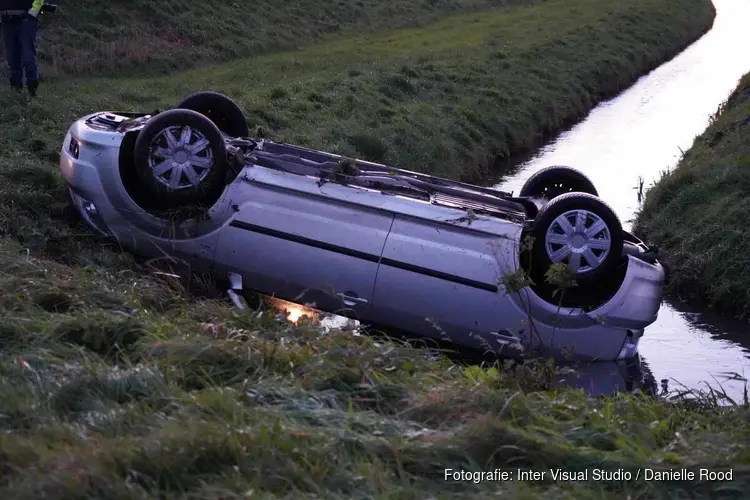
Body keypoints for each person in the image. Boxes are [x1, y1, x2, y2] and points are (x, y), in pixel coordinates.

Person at [0, 0, 44, 96]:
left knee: (28, 56)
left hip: (26, 18)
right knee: (12, 57)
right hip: (7, 19)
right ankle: (16, 92)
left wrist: (32, 14)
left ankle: (32, 93)